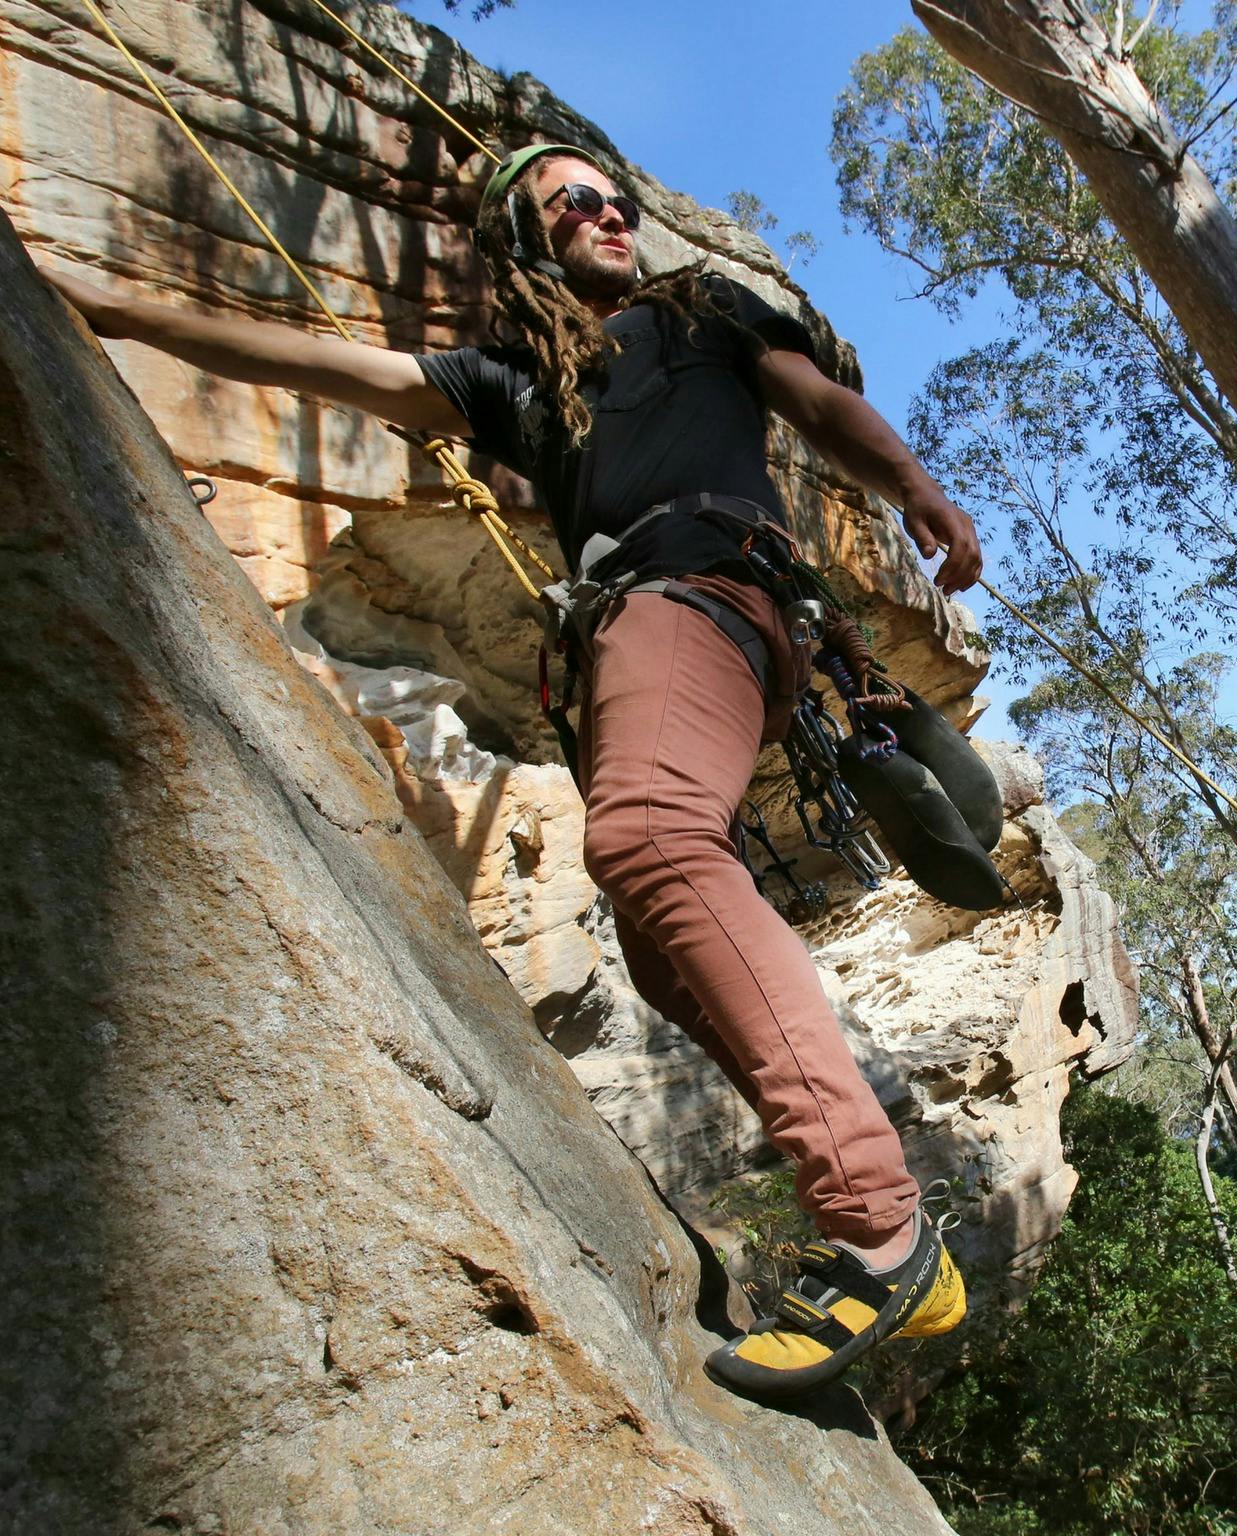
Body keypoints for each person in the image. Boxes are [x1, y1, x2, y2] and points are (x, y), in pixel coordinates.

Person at [41, 142, 979, 1401]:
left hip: (700, 590)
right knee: (658, 948)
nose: (604, 215)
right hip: (636, 629)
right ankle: (871, 1206)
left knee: (648, 840)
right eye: (569, 206)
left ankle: (879, 1224)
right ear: (530, 244)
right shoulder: (522, 382)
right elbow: (320, 360)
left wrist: (911, 483)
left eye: (613, 200)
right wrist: (92, 303)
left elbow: (812, 402)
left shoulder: (693, 311)